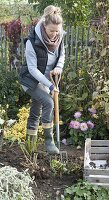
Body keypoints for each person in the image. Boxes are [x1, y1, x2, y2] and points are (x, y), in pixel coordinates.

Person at [19, 5, 65, 154]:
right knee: (48, 102)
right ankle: (49, 141)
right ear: (44, 26)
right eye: (51, 30)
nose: (54, 34)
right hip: (30, 80)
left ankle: (29, 146)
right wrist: (50, 87)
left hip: (46, 80)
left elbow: (62, 55)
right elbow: (32, 69)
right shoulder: (32, 42)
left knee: (36, 111)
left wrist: (59, 67)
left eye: (57, 31)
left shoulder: (59, 37)